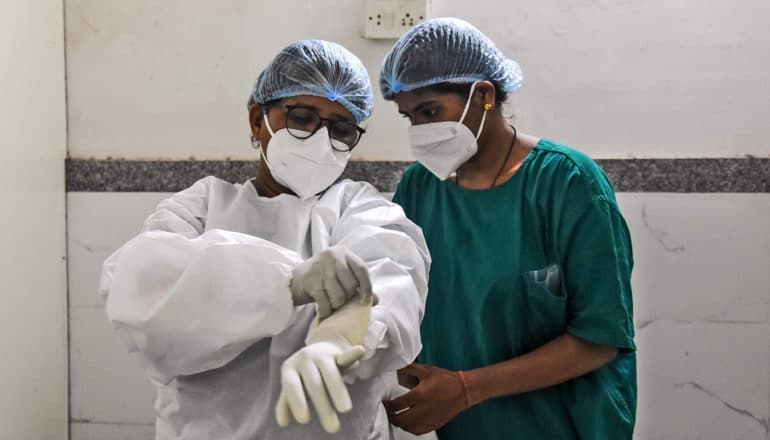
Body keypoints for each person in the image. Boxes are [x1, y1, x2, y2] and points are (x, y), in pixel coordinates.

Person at [100, 39, 430, 439]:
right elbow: (143, 295)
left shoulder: (359, 208)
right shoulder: (203, 206)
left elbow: (393, 277)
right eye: (303, 118)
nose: (321, 140)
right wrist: (288, 283)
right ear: (259, 120)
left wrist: (349, 331)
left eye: (341, 129)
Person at [379, 18, 636, 439]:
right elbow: (398, 298)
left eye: (430, 111)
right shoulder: (420, 187)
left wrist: (465, 389)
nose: (420, 132)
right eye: (409, 117)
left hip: (563, 426)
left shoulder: (567, 184)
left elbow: (599, 338)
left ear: (483, 95)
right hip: (460, 427)